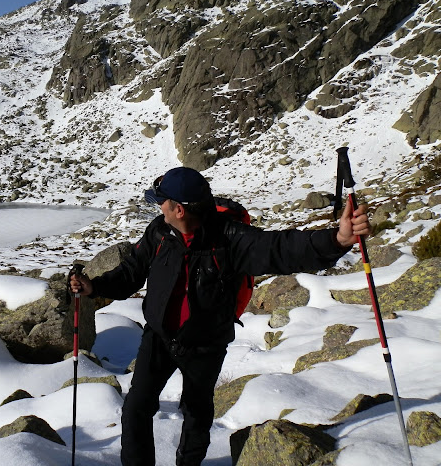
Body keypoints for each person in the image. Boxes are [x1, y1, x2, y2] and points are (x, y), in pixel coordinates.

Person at [69, 167, 370, 466]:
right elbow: (131, 272)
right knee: (136, 408)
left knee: (196, 414)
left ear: (179, 209)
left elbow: (280, 248)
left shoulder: (231, 239)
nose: (158, 208)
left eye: (162, 202)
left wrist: (338, 240)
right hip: (160, 337)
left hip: (205, 344)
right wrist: (95, 286)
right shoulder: (159, 232)